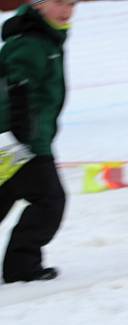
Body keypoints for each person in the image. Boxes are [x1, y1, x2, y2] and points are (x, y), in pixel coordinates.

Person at [0, 0, 77, 283]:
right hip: (22, 141)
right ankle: (21, 266)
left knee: (5, 195)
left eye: (71, 4)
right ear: (38, 4)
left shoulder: (42, 38)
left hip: (14, 140)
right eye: (59, 3)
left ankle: (20, 264)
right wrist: (23, 137)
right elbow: (17, 88)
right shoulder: (31, 42)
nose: (66, 11)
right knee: (50, 201)